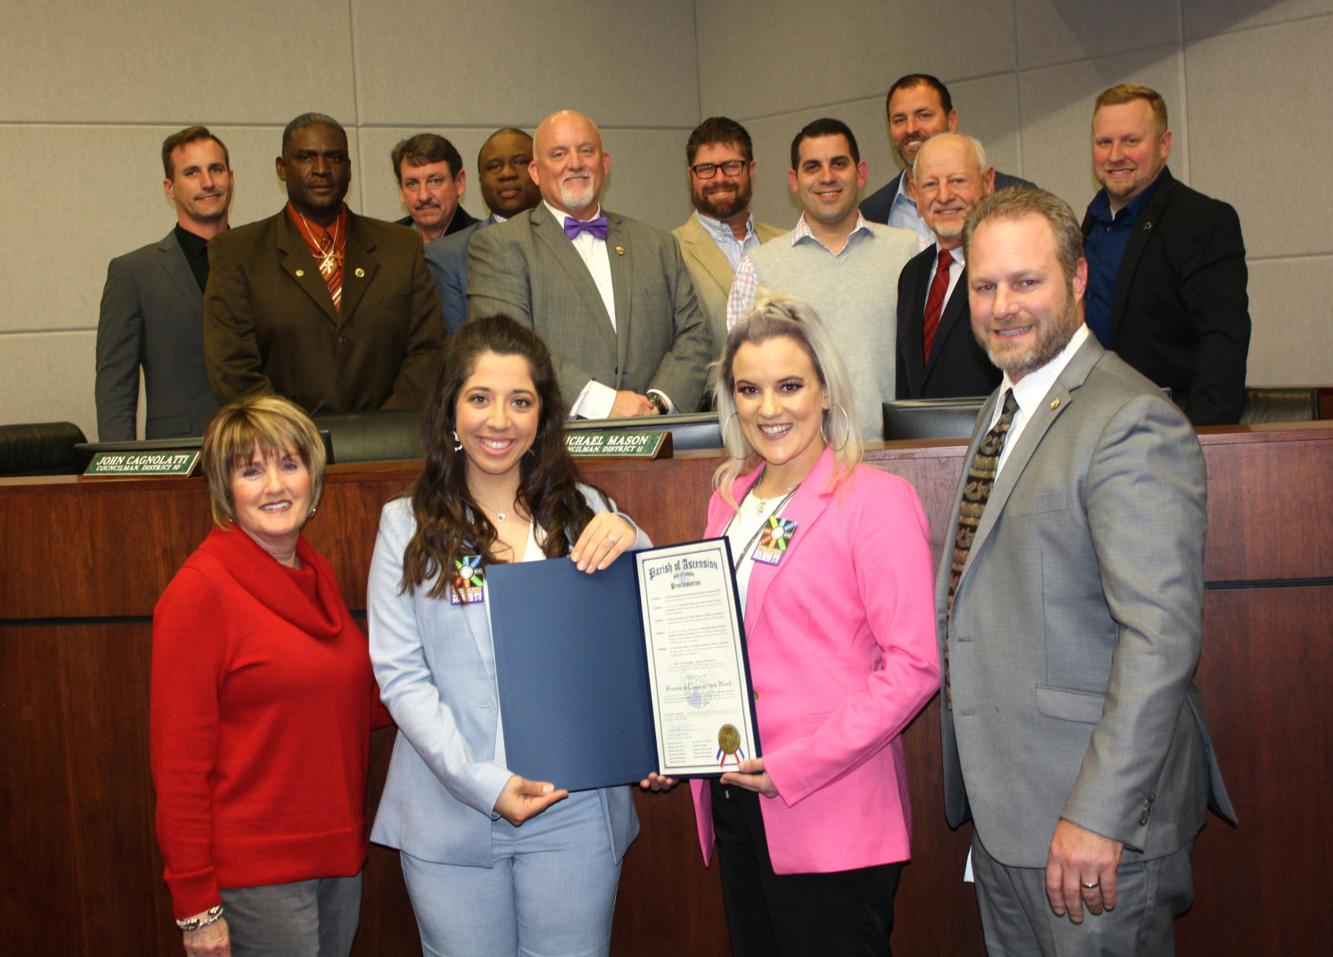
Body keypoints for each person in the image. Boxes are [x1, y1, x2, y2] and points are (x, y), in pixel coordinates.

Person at [939, 186, 1235, 953]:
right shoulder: (1005, 405)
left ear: (1075, 280)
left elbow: (1158, 639)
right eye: (983, 285)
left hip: (1093, 827)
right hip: (1011, 816)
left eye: (1025, 281)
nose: (1002, 305)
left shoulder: (1127, 419)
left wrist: (1097, 812)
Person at [366, 314, 644, 956]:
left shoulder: (589, 512)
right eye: (480, 399)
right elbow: (401, 677)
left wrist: (633, 536)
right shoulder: (403, 525)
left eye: (520, 401)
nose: (500, 420)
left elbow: (637, 631)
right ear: (451, 412)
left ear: (542, 415)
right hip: (450, 811)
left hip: (573, 808)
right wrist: (482, 784)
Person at [689, 294, 939, 954]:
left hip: (829, 808)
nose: (768, 409)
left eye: (789, 386)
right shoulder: (727, 500)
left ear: (825, 391)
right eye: (748, 389)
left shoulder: (875, 500)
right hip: (737, 801)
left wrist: (795, 766)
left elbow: (914, 666)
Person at [151, 394, 390, 957]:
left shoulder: (315, 571)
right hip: (252, 884)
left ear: (314, 477)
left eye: (289, 464)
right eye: (251, 470)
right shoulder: (199, 592)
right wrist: (197, 910)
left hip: (337, 863)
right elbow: (178, 768)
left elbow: (357, 702)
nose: (275, 485)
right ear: (225, 491)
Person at [467, 109, 714, 417]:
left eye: (586, 151)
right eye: (558, 154)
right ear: (535, 171)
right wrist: (604, 404)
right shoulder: (500, 246)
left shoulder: (659, 244)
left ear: (605, 163)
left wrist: (658, 403)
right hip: (556, 446)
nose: (575, 163)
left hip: (658, 438)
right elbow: (506, 347)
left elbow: (694, 334)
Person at [204, 112, 442, 414]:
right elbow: (232, 368)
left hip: (386, 445)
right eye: (306, 157)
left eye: (334, 158)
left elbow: (428, 350)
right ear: (281, 168)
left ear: (350, 169)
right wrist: (293, 433)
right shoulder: (237, 253)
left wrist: (380, 430)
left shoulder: (400, 246)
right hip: (280, 448)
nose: (321, 170)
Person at [727, 118, 918, 439]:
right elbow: (743, 378)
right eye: (812, 167)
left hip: (892, 457)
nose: (827, 177)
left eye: (838, 164)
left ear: (861, 173)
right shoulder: (757, 268)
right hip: (799, 464)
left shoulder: (911, 252)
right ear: (794, 179)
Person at [1082, 83, 1250, 424]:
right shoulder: (1086, 225)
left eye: (1131, 141)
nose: (1116, 155)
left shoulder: (1204, 221)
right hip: (1089, 422)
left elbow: (1221, 341)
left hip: (1165, 427)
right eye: (1104, 142)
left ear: (1163, 145)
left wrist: (1210, 440)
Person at [96, 126, 232, 440]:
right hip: (177, 458)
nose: (208, 182)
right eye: (192, 172)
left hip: (263, 454)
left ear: (231, 176)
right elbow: (116, 383)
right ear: (169, 187)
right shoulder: (133, 273)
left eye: (216, 169)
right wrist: (120, 474)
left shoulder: (262, 260)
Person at [861, 73, 1032, 247]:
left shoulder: (1020, 198)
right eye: (899, 120)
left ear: (951, 121)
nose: (910, 128)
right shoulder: (870, 214)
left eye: (923, 115)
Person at [896, 133, 1001, 399]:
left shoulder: (1006, 268)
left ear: (987, 182)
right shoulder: (911, 275)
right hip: (922, 439)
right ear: (916, 194)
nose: (944, 196)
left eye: (957, 181)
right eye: (931, 184)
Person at [672, 117, 785, 348]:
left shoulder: (787, 243)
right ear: (690, 176)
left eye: (731, 166)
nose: (720, 178)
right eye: (706, 169)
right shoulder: (669, 251)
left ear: (751, 170)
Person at [425, 127, 541, 334]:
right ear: (480, 182)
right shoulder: (445, 255)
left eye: (519, 162)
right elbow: (457, 343)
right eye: (494, 166)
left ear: (538, 171)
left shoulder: (573, 237)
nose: (507, 174)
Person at [391, 132, 479, 244]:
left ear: (459, 183)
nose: (423, 196)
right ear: (401, 191)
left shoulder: (485, 242)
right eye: (412, 184)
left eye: (435, 181)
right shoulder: (385, 243)